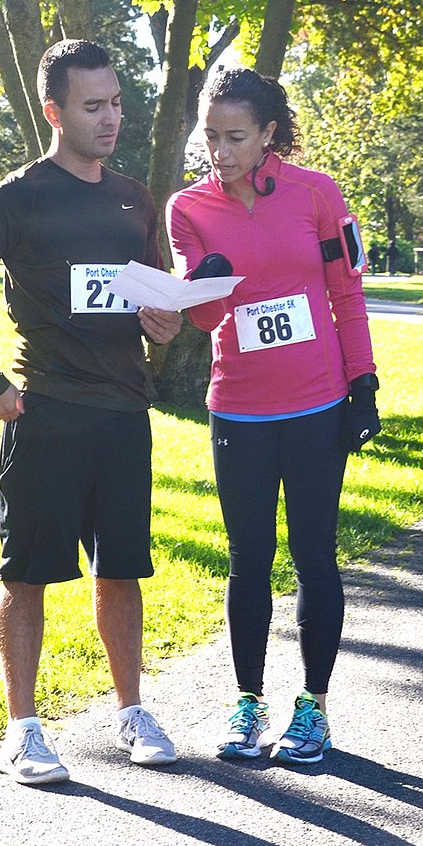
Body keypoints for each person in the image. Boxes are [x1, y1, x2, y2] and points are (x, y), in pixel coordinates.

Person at [0, 39, 182, 785]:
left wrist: (158, 321)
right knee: (29, 574)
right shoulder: (18, 196)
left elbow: (140, 297)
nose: (111, 119)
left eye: (117, 103)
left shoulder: (134, 197)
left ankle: (132, 711)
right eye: (93, 106)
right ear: (54, 112)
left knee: (122, 572)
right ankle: (24, 729)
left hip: (122, 413)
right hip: (44, 414)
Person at [166, 68, 380, 765]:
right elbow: (200, 315)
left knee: (315, 555)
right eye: (210, 137)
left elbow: (345, 295)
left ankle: (313, 708)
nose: (220, 152)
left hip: (318, 402)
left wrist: (364, 384)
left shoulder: (316, 193)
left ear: (267, 134)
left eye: (235, 137)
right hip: (238, 406)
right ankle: (248, 701)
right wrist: (206, 281)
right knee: (247, 558)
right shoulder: (188, 207)